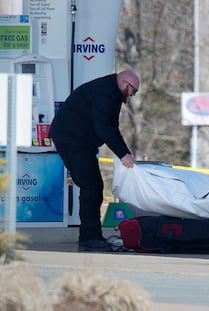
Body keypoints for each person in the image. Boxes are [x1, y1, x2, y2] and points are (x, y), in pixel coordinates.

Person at [49, 70, 139, 252]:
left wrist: (124, 153)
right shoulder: (104, 93)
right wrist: (123, 154)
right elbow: (103, 127)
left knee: (94, 186)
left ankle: (93, 236)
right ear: (124, 83)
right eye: (133, 91)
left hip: (81, 141)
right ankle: (89, 238)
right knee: (92, 187)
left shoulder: (111, 92)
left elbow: (112, 128)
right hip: (72, 139)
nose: (132, 95)